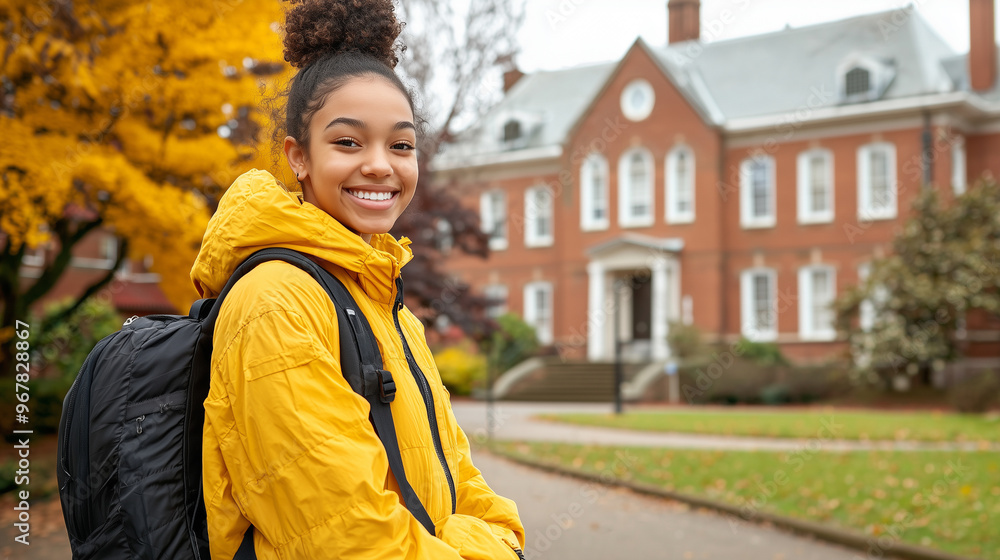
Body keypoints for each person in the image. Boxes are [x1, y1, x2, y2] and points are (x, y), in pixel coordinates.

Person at [188, 0, 526, 557]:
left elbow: (464, 480)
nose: (380, 165)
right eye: (348, 142)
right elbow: (348, 540)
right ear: (299, 157)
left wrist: (492, 540)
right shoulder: (274, 303)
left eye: (401, 144)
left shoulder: (389, 308)